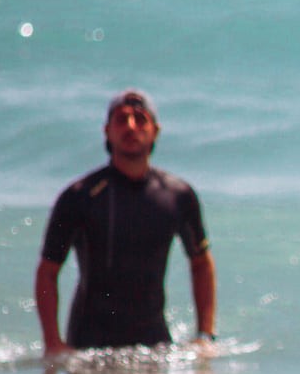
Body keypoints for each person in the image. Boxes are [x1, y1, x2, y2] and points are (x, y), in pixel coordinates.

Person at [34, 89, 217, 359]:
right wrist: (52, 342)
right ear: (107, 131)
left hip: (155, 348)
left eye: (140, 119)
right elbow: (47, 271)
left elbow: (201, 263)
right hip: (88, 350)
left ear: (155, 130)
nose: (131, 127)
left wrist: (205, 335)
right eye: (121, 120)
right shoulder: (79, 196)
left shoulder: (177, 195)